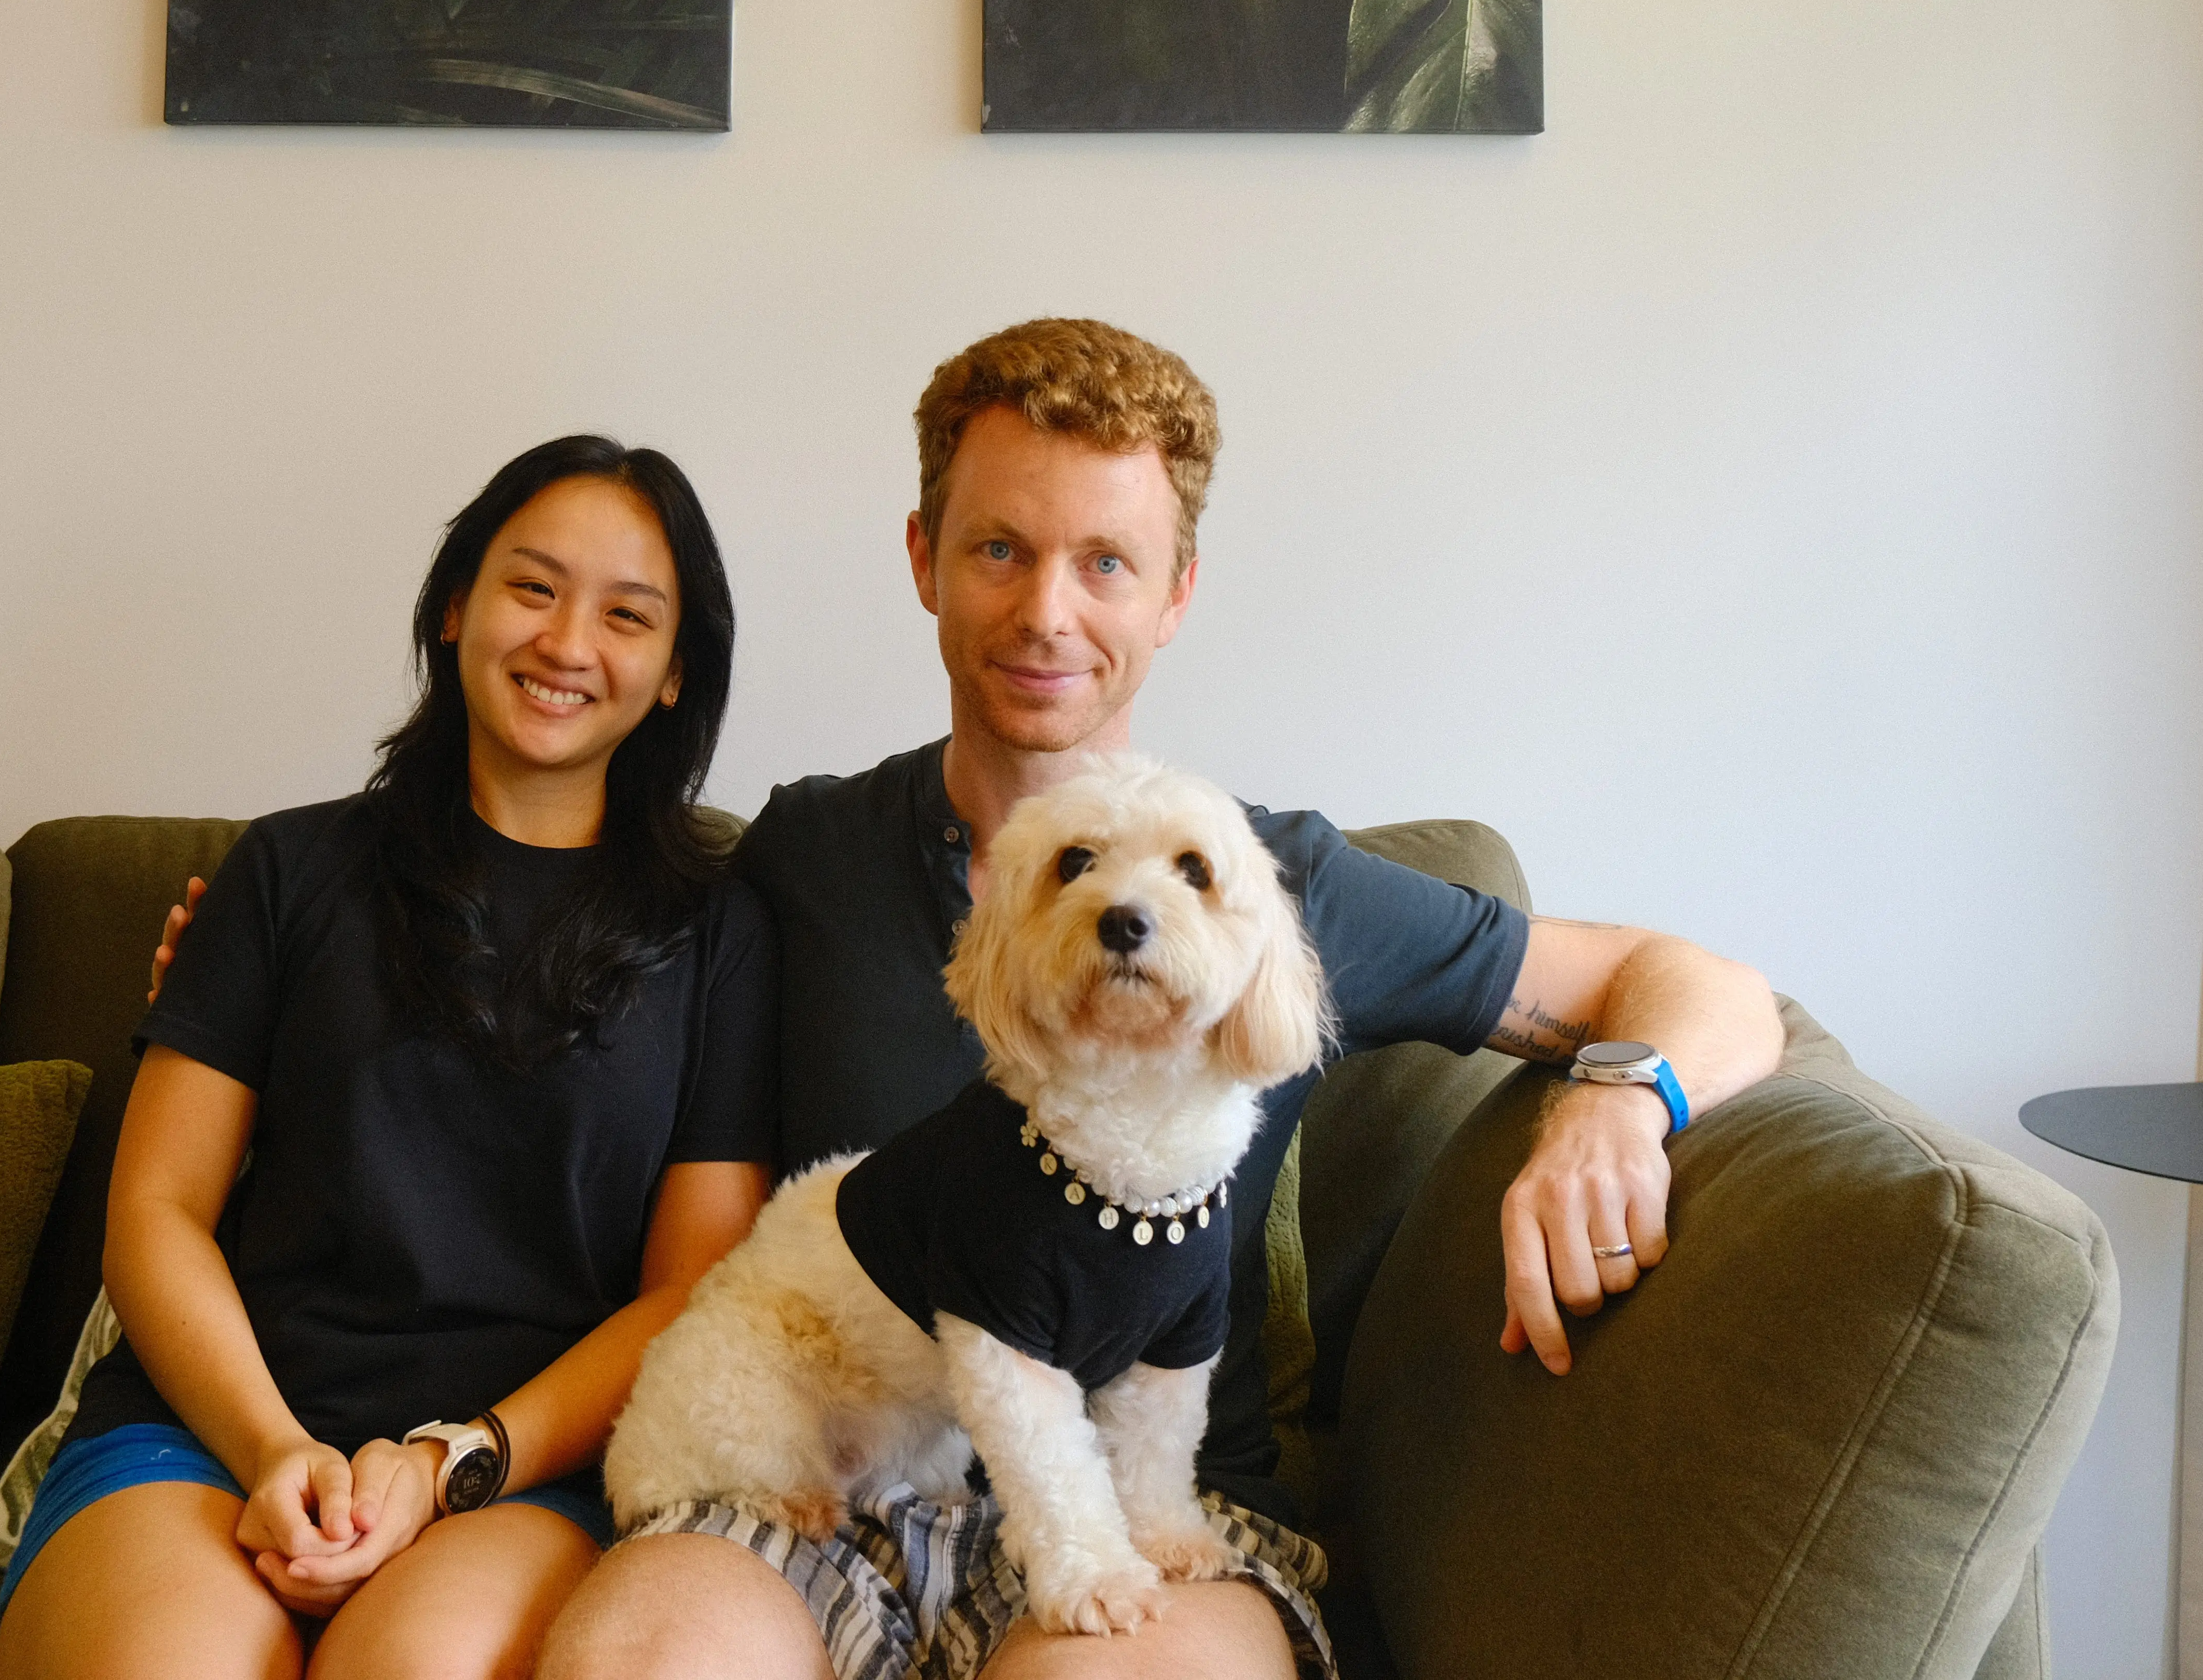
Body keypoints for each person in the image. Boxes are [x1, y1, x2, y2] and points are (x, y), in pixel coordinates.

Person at [530, 319, 1787, 1680]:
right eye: (999, 547)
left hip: (1171, 1518)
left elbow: (1697, 986)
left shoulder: (1273, 884)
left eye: (1106, 563)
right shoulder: (808, 855)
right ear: (924, 561)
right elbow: (691, 1231)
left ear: (1176, 590)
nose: (1046, 613)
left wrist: (1618, 1095)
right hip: (836, 1487)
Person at [0, 435, 777, 1680]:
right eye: (533, 587)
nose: (569, 644)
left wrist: (452, 1462)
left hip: (520, 1474)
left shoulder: (725, 930)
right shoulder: (286, 872)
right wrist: (270, 1452)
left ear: (677, 671)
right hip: (210, 1434)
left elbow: (688, 1294)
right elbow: (156, 1209)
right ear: (456, 602)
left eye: (628, 616)